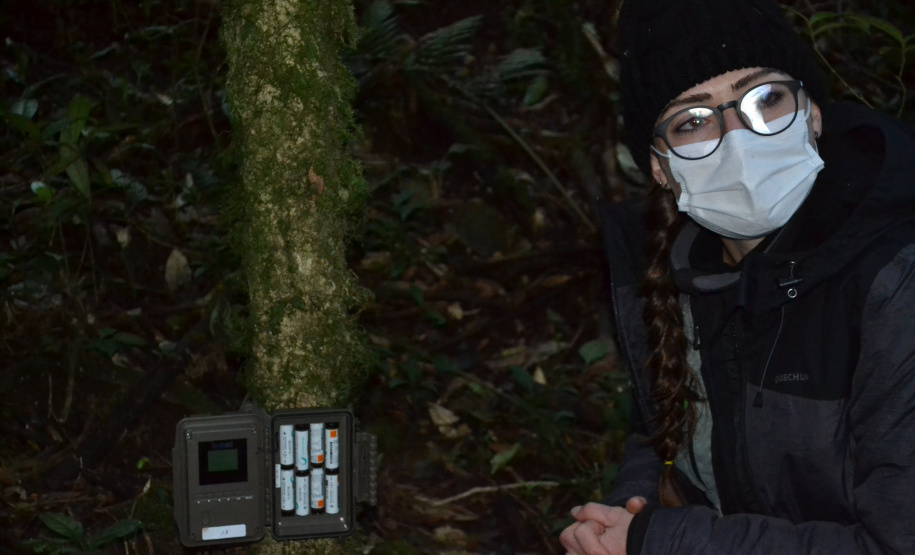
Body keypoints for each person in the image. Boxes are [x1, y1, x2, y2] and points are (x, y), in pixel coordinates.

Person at [560, 0, 915, 553]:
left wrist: (663, 541)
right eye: (694, 121)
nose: (740, 137)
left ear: (813, 112)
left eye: (766, 98)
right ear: (660, 166)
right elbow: (661, 434)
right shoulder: (679, 277)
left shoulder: (895, 280)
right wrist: (633, 509)